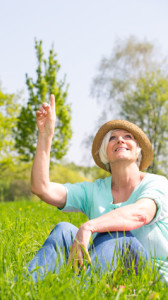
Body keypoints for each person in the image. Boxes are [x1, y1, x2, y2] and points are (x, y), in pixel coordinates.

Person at [27, 94, 168, 283]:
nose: (120, 140)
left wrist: (90, 226)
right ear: (105, 153)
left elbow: (140, 214)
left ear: (137, 152)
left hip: (150, 279)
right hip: (109, 272)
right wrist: (45, 135)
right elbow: (41, 188)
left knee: (118, 235)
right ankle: (25, 288)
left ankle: (78, 292)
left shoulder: (157, 183)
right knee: (64, 229)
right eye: (113, 138)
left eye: (128, 137)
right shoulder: (94, 191)